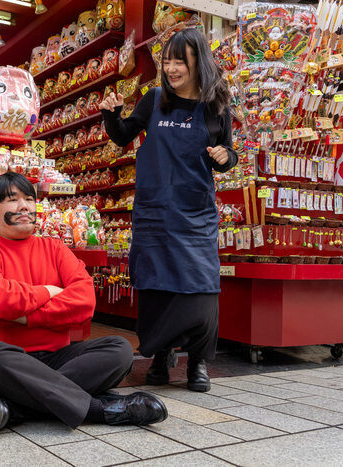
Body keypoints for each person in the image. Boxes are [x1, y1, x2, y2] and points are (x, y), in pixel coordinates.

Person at [0, 172, 167, 432]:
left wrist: (25, 315)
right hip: (5, 363)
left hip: (56, 357)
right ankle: (98, 409)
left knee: (119, 349)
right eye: (13, 200)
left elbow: (84, 302)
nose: (24, 206)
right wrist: (49, 291)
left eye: (29, 199)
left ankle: (16, 407)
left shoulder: (56, 249)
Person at [100, 28, 238, 392]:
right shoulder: (154, 98)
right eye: (167, 60)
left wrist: (225, 157)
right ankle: (160, 356)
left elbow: (227, 153)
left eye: (181, 60)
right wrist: (112, 117)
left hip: (195, 216)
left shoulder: (217, 108)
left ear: (199, 62)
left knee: (201, 288)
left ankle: (197, 363)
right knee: (155, 285)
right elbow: (123, 134)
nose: (172, 68)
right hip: (155, 213)